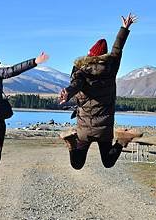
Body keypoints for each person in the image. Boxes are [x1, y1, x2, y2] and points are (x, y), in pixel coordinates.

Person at [58, 13, 138, 170]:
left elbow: (76, 84)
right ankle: (122, 140)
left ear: (89, 55)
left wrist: (68, 92)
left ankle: (72, 142)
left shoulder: (80, 71)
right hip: (104, 128)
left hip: (84, 128)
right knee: (108, 162)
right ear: (104, 56)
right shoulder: (111, 67)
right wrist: (124, 28)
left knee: (77, 164)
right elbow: (117, 49)